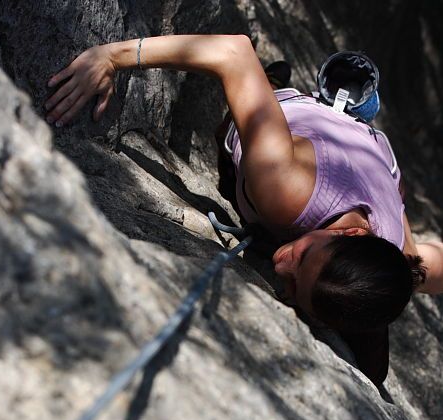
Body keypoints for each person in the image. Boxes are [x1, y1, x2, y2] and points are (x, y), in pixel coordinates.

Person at [44, 34, 443, 384]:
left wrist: (393, 197)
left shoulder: (401, 262)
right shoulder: (284, 186)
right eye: (302, 258)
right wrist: (111, 57)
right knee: (239, 157)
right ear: (353, 235)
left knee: (375, 372)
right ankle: (271, 84)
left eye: (290, 287)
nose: (280, 267)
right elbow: (233, 53)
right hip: (308, 123)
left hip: (383, 168)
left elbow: (434, 264)